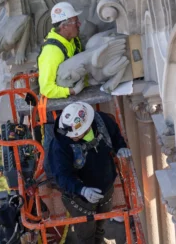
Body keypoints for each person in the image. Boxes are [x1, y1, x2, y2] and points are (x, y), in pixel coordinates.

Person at [49, 102, 132, 244]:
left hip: (105, 189)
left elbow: (115, 134)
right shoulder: (61, 145)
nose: (72, 137)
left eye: (76, 134)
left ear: (87, 126)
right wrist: (82, 190)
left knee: (100, 227)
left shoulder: (102, 122)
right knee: (86, 235)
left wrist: (120, 147)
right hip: (80, 199)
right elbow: (62, 175)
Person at [38, 2, 87, 99]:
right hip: (61, 104)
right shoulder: (52, 53)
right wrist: (72, 91)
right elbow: (46, 89)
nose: (79, 24)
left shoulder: (72, 39)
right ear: (64, 26)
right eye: (75, 22)